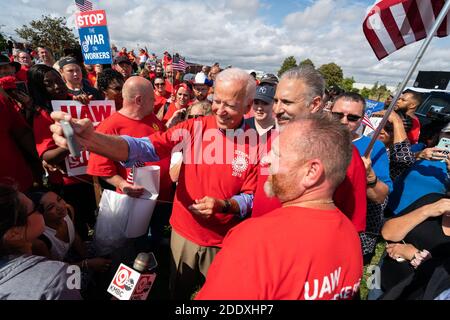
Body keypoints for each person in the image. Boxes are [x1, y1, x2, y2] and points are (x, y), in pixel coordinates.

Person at [49, 67, 259, 300]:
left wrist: (225, 204)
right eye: (217, 101)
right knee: (177, 291)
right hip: (184, 231)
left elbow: (252, 196)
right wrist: (93, 139)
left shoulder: (259, 144)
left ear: (248, 107)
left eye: (229, 105)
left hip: (223, 239)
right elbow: (145, 147)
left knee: (220, 294)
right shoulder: (194, 127)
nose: (220, 110)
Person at [196, 114, 363, 300]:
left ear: (311, 172)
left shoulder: (256, 241)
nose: (265, 160)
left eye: (276, 153)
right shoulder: (350, 235)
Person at [251, 66, 368, 236]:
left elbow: (350, 225)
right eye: (276, 101)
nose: (276, 110)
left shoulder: (344, 154)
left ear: (314, 104)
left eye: (287, 102)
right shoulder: (273, 136)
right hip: (256, 240)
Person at [331, 93, 393, 264]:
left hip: (349, 229)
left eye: (352, 117)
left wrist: (369, 175)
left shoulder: (374, 148)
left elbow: (380, 196)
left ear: (362, 119)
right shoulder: (315, 139)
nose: (344, 121)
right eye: (338, 115)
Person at [0, 181, 82, 300]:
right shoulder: (55, 278)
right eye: (36, 208)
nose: (61, 207)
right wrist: (119, 292)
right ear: (14, 234)